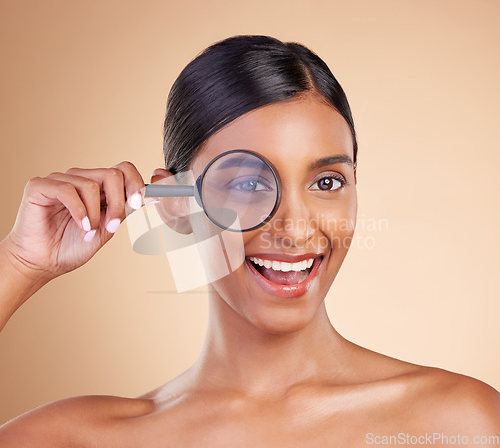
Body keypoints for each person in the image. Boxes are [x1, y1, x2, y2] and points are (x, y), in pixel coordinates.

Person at [0, 35, 498, 447]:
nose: (297, 228)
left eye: (326, 182)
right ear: (175, 204)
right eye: (248, 183)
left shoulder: (460, 424)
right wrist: (19, 263)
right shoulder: (74, 439)